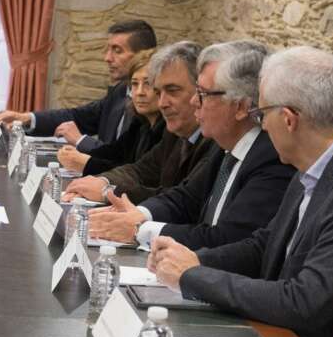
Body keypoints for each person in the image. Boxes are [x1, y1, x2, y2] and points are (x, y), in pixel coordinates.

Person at [150, 46, 333, 337]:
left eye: (262, 115)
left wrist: (193, 276)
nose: (261, 126)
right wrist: (195, 259)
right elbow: (265, 245)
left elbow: (304, 301)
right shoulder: (315, 165)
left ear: (289, 119)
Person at [89, 40, 295, 250]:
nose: (195, 101)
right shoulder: (224, 145)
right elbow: (186, 199)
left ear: (241, 106)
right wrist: (139, 214)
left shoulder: (272, 157)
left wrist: (138, 229)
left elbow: (229, 239)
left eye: (204, 94)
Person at [63, 42, 218, 206]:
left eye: (172, 90)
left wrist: (108, 191)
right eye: (158, 92)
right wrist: (102, 181)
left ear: (200, 92)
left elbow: (183, 200)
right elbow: (140, 170)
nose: (162, 103)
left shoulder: (215, 142)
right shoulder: (173, 133)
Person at [0, 19, 158, 151]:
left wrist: (81, 141)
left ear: (143, 55)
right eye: (108, 49)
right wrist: (27, 118)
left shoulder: (154, 104)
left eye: (117, 50)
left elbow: (126, 159)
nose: (107, 58)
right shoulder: (120, 91)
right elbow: (79, 116)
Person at [56, 48, 164, 175]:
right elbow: (114, 153)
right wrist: (78, 154)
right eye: (134, 84)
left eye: (148, 84)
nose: (139, 92)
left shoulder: (167, 130)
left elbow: (140, 174)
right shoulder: (141, 122)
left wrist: (86, 163)